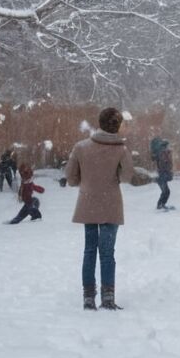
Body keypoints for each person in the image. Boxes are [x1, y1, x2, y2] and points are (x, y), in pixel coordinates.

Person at [65, 107, 135, 311]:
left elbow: (70, 177)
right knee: (107, 253)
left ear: (100, 123)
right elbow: (126, 176)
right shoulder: (121, 150)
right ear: (117, 126)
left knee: (89, 250)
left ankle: (88, 297)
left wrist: (84, 181)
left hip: (88, 202)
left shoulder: (81, 147)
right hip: (111, 204)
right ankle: (108, 296)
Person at [153, 139, 174, 210]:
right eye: (168, 146)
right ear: (165, 146)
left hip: (162, 175)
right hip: (161, 176)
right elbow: (164, 165)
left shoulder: (165, 153)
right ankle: (160, 205)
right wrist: (167, 171)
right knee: (165, 191)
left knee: (166, 191)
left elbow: (168, 164)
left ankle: (162, 204)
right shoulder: (162, 153)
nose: (169, 147)